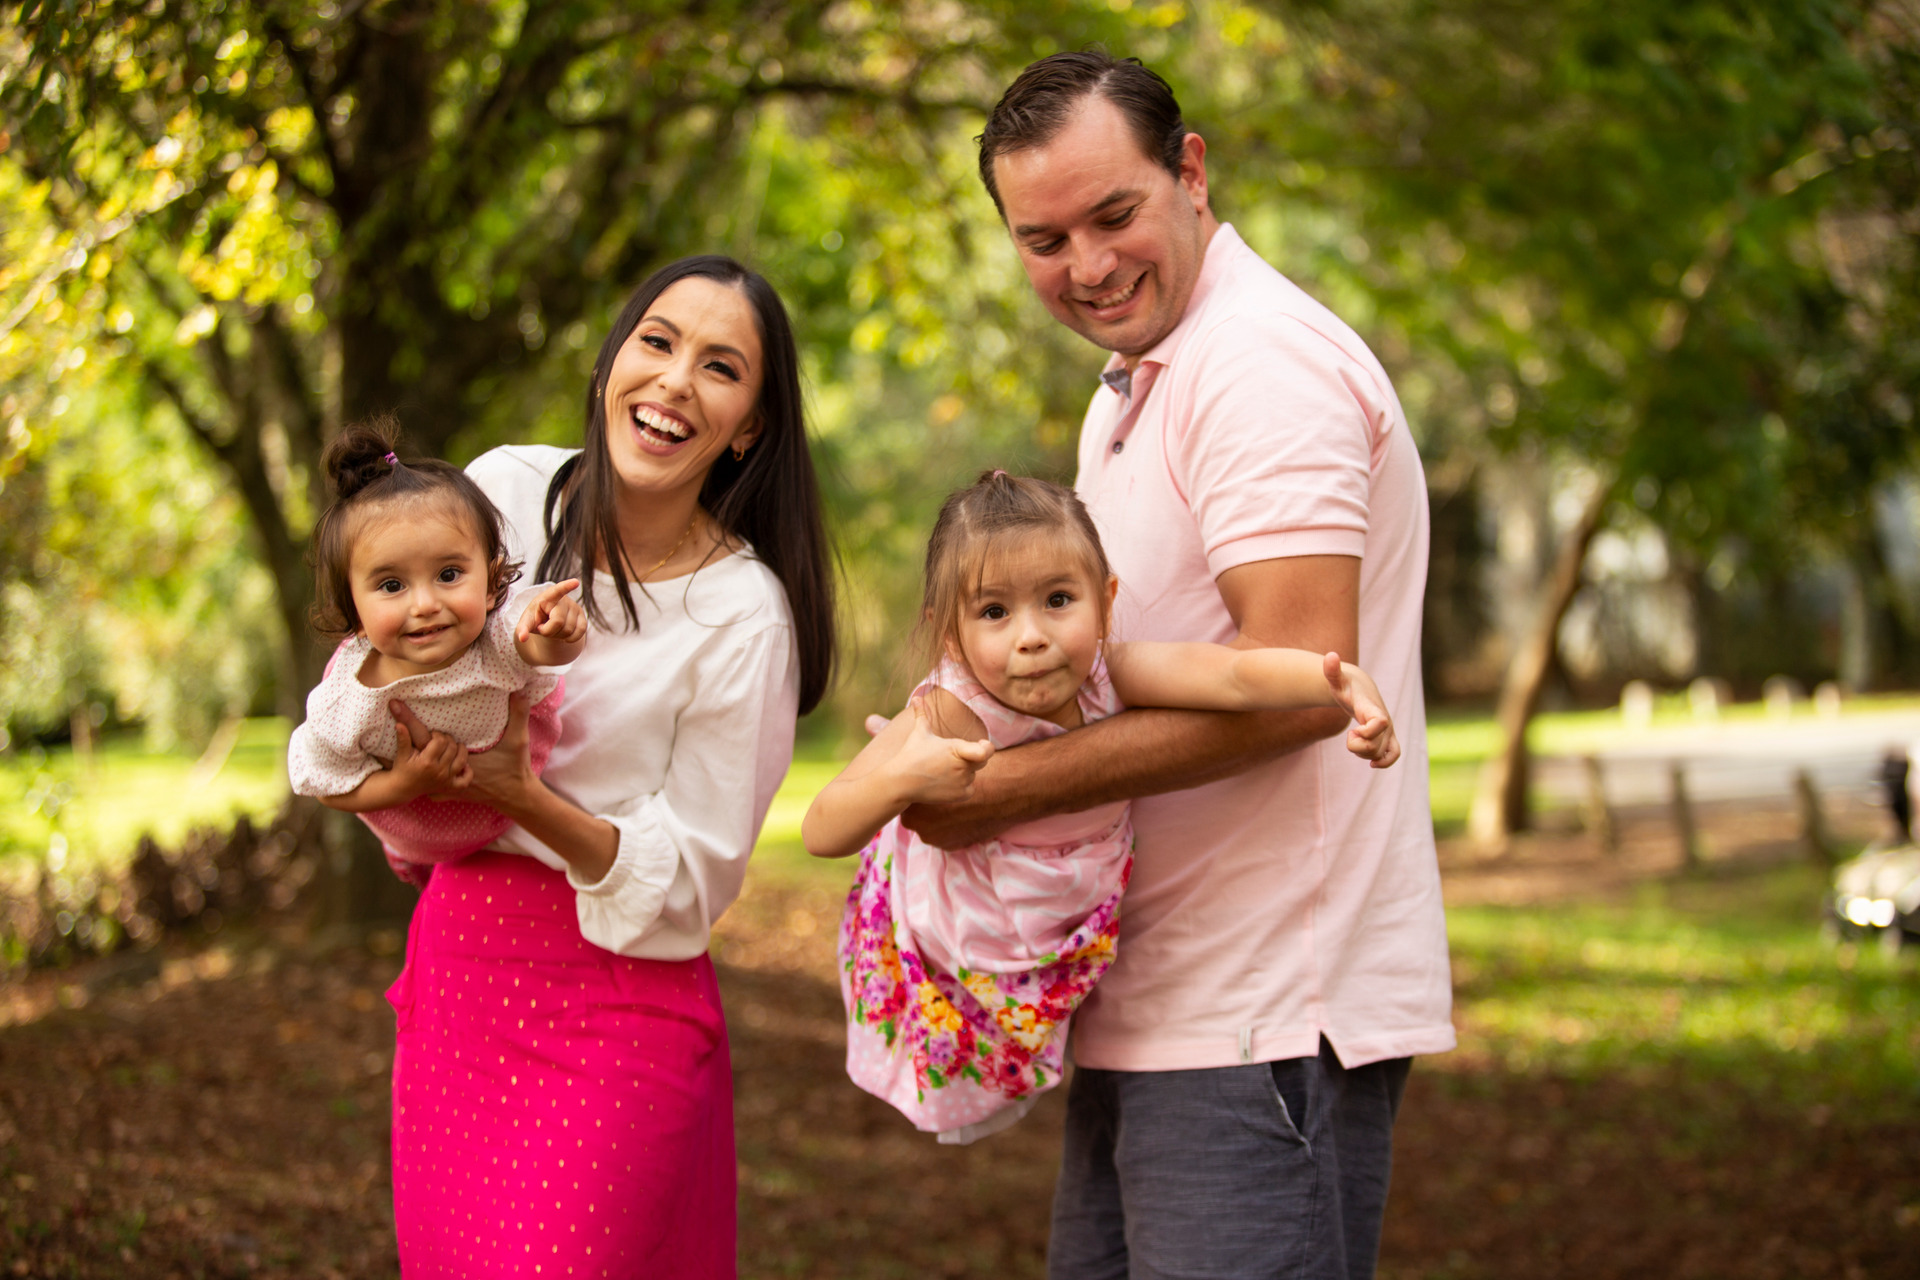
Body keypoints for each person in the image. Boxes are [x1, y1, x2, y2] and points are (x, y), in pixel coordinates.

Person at [902, 51, 1455, 1279]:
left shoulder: (1261, 369)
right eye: (1044, 239)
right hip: (1159, 1004)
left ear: (1191, 170)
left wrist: (990, 793)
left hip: (1262, 1016)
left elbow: (1300, 679)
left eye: (1114, 214)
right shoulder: (1138, 387)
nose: (1088, 266)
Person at [381, 255, 836, 1278]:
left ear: (750, 425)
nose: (676, 381)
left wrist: (519, 796)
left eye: (721, 368)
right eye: (659, 342)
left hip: (619, 1004)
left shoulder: (744, 613)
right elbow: (386, 670)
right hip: (461, 975)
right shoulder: (497, 494)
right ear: (612, 363)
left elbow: (692, 878)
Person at [806, 471, 1401, 1147]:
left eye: (1058, 600)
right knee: (957, 1054)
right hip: (950, 931)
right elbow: (822, 826)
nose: (1031, 636)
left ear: (1105, 599)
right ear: (950, 634)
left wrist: (1339, 679)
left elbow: (1235, 677)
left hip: (1052, 927)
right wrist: (902, 777)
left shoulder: (1109, 675)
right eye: (994, 613)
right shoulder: (949, 709)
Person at [285, 416, 587, 887]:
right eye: (391, 585)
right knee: (419, 869)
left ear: (491, 583)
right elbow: (325, 781)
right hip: (413, 833)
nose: (425, 605)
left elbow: (540, 650)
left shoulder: (491, 641)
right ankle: (410, 864)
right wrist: (404, 785)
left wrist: (560, 630)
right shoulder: (346, 702)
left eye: (449, 575)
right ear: (354, 608)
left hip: (505, 823)